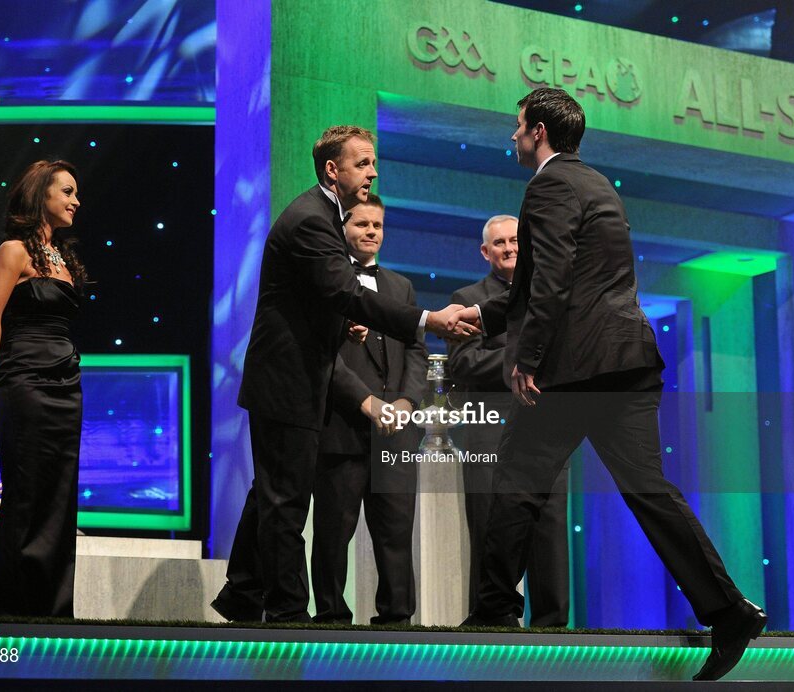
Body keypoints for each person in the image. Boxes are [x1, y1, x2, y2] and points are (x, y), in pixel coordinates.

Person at [451, 88, 766, 681]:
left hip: (578, 370)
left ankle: (492, 613)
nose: (513, 136)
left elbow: (552, 281)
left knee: (516, 484)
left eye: (518, 126)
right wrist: (483, 317)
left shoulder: (547, 186)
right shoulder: (595, 183)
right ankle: (729, 611)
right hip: (625, 362)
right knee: (648, 490)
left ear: (539, 131)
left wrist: (526, 358)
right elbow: (557, 280)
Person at [213, 125, 476, 624]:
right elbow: (345, 293)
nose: (373, 172)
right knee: (284, 504)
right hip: (287, 382)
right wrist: (428, 319)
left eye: (373, 162)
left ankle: (244, 595)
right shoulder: (312, 219)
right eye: (362, 163)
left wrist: (341, 326)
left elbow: (321, 299)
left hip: (296, 380)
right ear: (332, 170)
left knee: (272, 497)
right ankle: (287, 615)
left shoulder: (325, 217)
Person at [448, 214, 570, 628]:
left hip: (549, 429)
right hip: (489, 431)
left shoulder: (550, 295)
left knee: (550, 529)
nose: (509, 248)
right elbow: (462, 363)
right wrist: (525, 358)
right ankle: (492, 625)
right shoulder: (468, 298)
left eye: (515, 240)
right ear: (486, 252)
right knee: (489, 529)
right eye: (499, 243)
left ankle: (553, 628)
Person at [311, 194, 427, 625]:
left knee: (396, 532)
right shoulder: (328, 283)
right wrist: (368, 402)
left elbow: (416, 350)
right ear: (342, 228)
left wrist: (406, 401)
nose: (371, 232)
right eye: (362, 224)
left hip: (396, 432)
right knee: (332, 534)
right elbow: (324, 356)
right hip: (342, 426)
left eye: (377, 225)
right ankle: (331, 619)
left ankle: (397, 620)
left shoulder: (401, 287)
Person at [0, 160, 86, 617]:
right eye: (67, 191)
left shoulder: (62, 258)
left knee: (59, 495)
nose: (76, 201)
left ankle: (53, 611)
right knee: (26, 494)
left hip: (66, 385)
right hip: (24, 382)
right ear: (41, 194)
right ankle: (10, 611)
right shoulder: (14, 250)